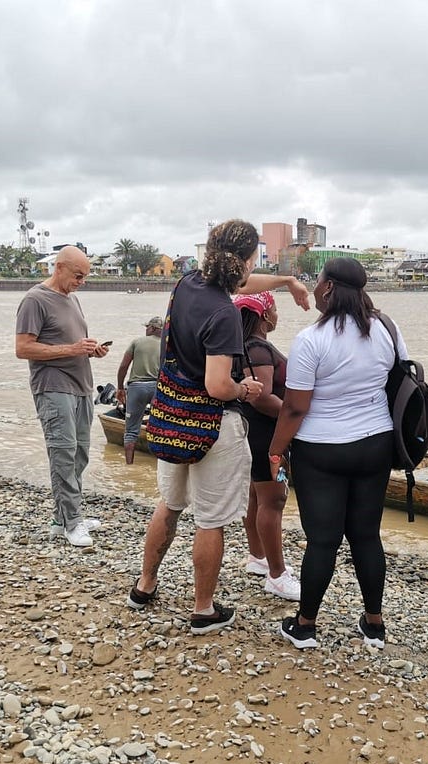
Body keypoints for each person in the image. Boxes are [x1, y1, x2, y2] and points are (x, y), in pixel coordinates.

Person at [126, 219, 310, 635]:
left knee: (169, 504)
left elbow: (242, 285)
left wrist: (285, 280)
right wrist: (245, 389)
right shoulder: (224, 314)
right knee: (210, 520)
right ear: (245, 260)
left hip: (169, 418)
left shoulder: (187, 284)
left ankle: (145, 585)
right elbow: (217, 385)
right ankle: (203, 609)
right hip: (210, 426)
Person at [269, 257, 404, 650]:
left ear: (327, 289)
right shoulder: (386, 329)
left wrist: (276, 450)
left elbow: (295, 407)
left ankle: (306, 625)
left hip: (321, 450)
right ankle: (374, 625)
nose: (313, 288)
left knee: (323, 540)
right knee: (366, 536)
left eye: (317, 281)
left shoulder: (312, 339)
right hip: (376, 443)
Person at [15, 246, 110, 547]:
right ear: (59, 268)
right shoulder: (34, 300)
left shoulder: (74, 299)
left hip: (81, 386)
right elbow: (23, 348)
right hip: (53, 386)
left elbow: (71, 342)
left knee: (79, 454)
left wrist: (91, 350)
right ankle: (72, 522)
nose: (82, 281)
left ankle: (65, 517)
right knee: (63, 454)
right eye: (78, 275)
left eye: (85, 277)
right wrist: (71, 349)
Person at [231, 291, 300, 601]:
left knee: (256, 497)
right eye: (275, 308)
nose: (278, 314)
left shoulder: (241, 347)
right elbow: (261, 397)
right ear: (263, 315)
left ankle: (258, 557)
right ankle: (277, 574)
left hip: (252, 436)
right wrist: (298, 416)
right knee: (274, 500)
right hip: (268, 438)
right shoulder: (257, 349)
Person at [116, 316, 162, 465]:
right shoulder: (166, 345)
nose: (146, 329)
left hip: (137, 388)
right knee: (159, 428)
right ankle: (159, 466)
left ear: (153, 328)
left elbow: (124, 366)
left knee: (130, 431)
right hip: (157, 388)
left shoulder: (137, 342)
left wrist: (120, 387)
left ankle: (129, 466)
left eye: (147, 327)